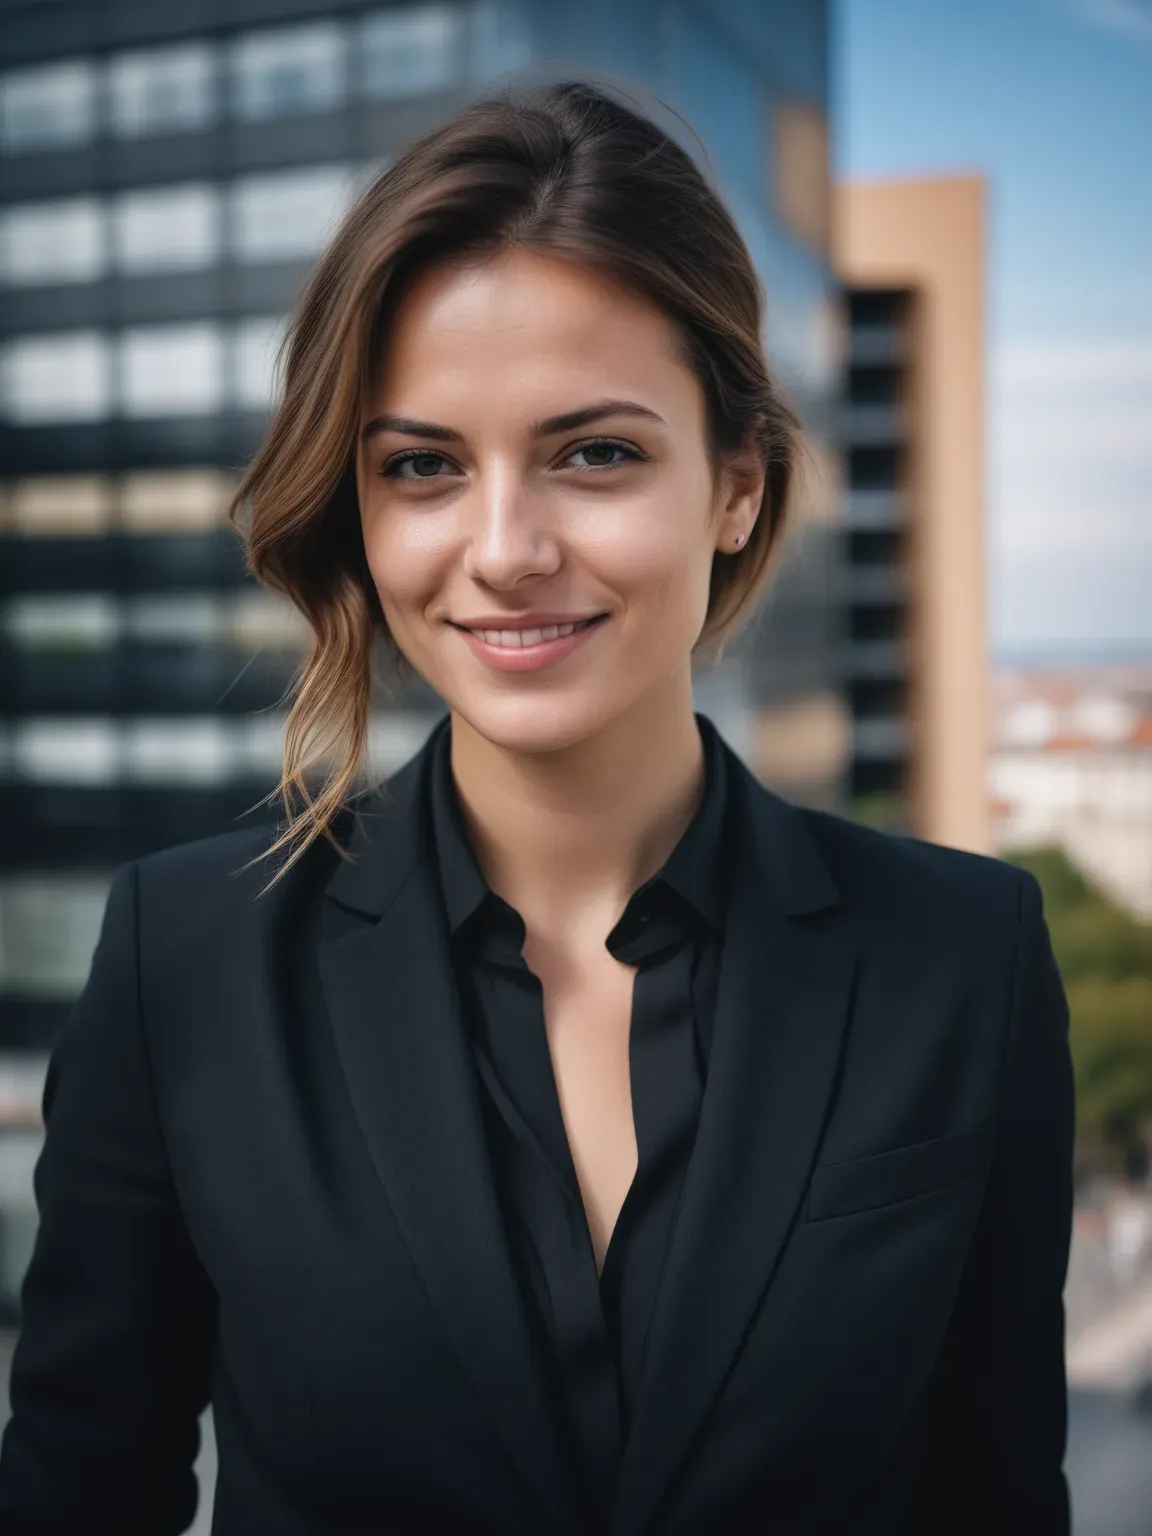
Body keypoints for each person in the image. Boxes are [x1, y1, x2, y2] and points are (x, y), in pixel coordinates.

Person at [0, 80, 1075, 1536]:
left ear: (738, 484)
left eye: (595, 452)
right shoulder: (183, 960)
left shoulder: (965, 956)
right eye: (423, 467)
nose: (504, 550)